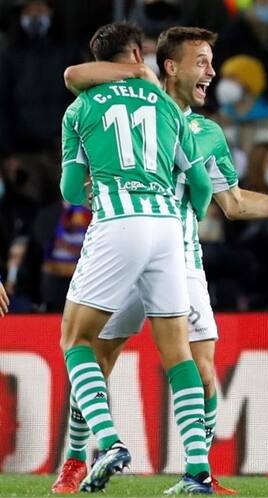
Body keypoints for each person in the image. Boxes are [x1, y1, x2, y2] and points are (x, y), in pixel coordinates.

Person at [54, 26, 268, 494]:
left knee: (200, 370)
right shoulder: (157, 109)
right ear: (170, 67)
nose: (212, 73)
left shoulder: (207, 131)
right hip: (160, 242)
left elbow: (234, 202)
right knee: (99, 359)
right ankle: (76, 460)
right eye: (201, 62)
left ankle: (196, 471)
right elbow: (201, 191)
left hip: (175, 255)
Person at [55, 21, 214, 494]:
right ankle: (198, 471)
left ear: (99, 61)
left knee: (76, 340)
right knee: (177, 353)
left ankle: (108, 443)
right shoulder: (167, 106)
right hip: (168, 230)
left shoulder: (80, 108)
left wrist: (93, 188)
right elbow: (201, 186)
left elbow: (70, 191)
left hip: (118, 223)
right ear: (137, 54)